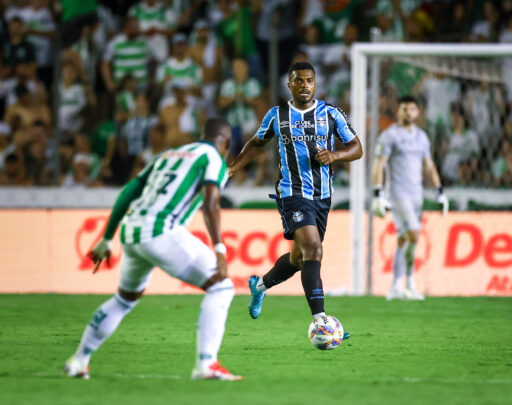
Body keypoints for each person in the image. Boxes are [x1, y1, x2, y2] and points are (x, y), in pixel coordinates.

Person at [62, 118, 243, 381]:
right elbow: (211, 203)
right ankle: (206, 364)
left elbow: (129, 191)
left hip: (131, 231)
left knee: (124, 299)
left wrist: (107, 237)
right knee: (222, 286)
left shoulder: (169, 155)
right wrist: (219, 249)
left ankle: (78, 360)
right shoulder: (213, 157)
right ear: (225, 142)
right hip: (161, 230)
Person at [229, 61, 362, 330]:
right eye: (298, 81)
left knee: (299, 259)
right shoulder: (277, 115)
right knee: (314, 249)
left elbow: (357, 147)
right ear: (289, 84)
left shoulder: (332, 114)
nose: (304, 85)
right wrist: (233, 167)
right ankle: (321, 320)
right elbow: (257, 143)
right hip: (291, 192)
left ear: (316, 83)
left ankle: (260, 286)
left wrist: (335, 155)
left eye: (309, 80)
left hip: (322, 195)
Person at [371, 95, 448, 301]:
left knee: (404, 238)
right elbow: (379, 165)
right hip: (397, 193)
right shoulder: (389, 135)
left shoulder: (422, 137)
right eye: (404, 109)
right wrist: (377, 193)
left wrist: (439, 190)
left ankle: (397, 286)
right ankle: (410, 283)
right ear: (398, 111)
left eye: (412, 109)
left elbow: (429, 165)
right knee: (414, 234)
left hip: (417, 194)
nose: (408, 113)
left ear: (417, 112)